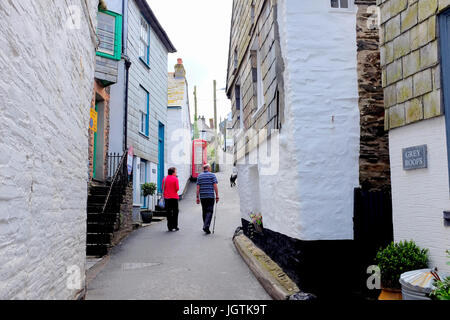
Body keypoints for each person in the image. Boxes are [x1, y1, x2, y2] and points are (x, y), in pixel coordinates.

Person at [196, 163, 219, 234]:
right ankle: (206, 226)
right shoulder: (212, 175)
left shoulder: (199, 176)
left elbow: (198, 188)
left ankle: (206, 226)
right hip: (210, 196)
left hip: (203, 197)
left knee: (204, 211)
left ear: (203, 169)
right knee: (210, 211)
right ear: (209, 168)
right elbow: (215, 186)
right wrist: (217, 195)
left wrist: (197, 197)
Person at [162, 167, 180, 232]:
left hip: (167, 198)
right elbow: (177, 188)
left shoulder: (165, 178)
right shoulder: (175, 179)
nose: (176, 173)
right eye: (175, 172)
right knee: (175, 212)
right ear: (173, 172)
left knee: (168, 212)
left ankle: (169, 226)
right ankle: (175, 226)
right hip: (174, 198)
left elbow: (162, 188)